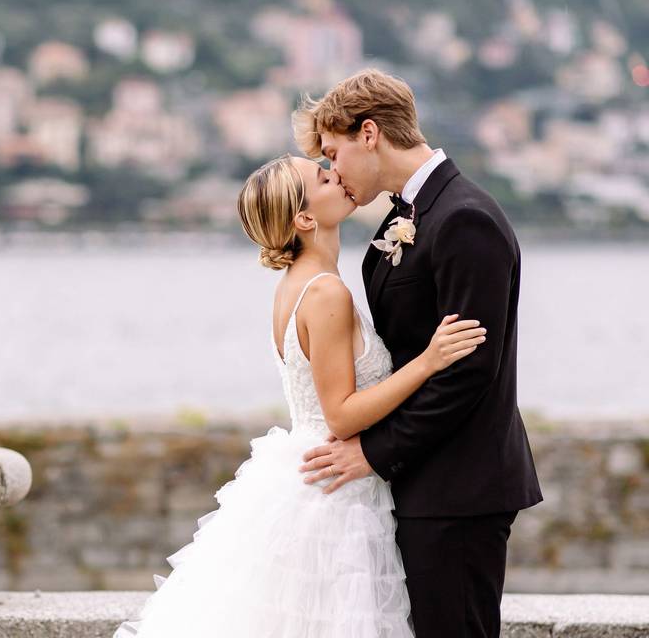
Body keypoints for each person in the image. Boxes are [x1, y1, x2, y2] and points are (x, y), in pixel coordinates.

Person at [113, 152, 488, 637]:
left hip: (313, 477)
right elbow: (341, 417)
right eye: (324, 177)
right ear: (306, 217)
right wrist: (429, 361)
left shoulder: (298, 285)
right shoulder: (325, 293)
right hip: (335, 496)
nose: (338, 175)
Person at [293, 68, 543, 637]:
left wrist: (373, 453)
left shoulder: (464, 219)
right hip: (421, 484)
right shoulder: (404, 218)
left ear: (370, 133)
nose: (334, 171)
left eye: (334, 152)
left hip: (459, 489)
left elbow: (469, 372)